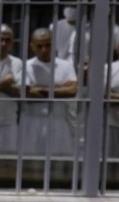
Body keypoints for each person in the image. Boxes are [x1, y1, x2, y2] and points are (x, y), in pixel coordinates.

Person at [19, 28, 78, 156]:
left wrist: (41, 89)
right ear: (32, 46)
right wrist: (59, 88)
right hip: (31, 120)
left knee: (59, 161)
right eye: (40, 46)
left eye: (48, 45)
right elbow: (27, 92)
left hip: (58, 120)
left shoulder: (65, 65)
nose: (44, 50)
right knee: (30, 161)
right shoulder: (25, 65)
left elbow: (73, 90)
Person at [0, 25, 24, 154]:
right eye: (0, 39)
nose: (3, 43)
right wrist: (7, 80)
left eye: (8, 40)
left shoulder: (17, 63)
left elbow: (20, 91)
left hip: (8, 121)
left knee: (8, 163)